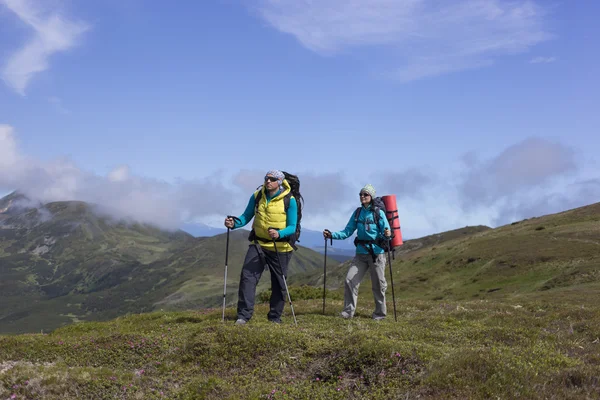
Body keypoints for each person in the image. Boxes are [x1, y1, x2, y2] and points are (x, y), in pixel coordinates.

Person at [224, 170, 298, 325]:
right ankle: (243, 316)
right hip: (258, 244)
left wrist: (279, 233)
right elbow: (246, 216)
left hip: (281, 247)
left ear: (279, 182)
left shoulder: (289, 200)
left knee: (279, 283)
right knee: (247, 278)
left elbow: (292, 226)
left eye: (272, 179)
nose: (268, 181)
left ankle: (274, 317)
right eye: (266, 178)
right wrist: (234, 223)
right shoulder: (257, 195)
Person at [323, 184, 391, 320]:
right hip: (360, 254)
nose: (362, 196)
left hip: (376, 254)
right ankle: (348, 313)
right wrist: (332, 235)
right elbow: (347, 231)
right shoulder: (358, 212)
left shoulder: (378, 213)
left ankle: (380, 314)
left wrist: (387, 234)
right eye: (360, 194)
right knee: (350, 280)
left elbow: (386, 234)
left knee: (378, 285)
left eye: (365, 194)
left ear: (371, 196)